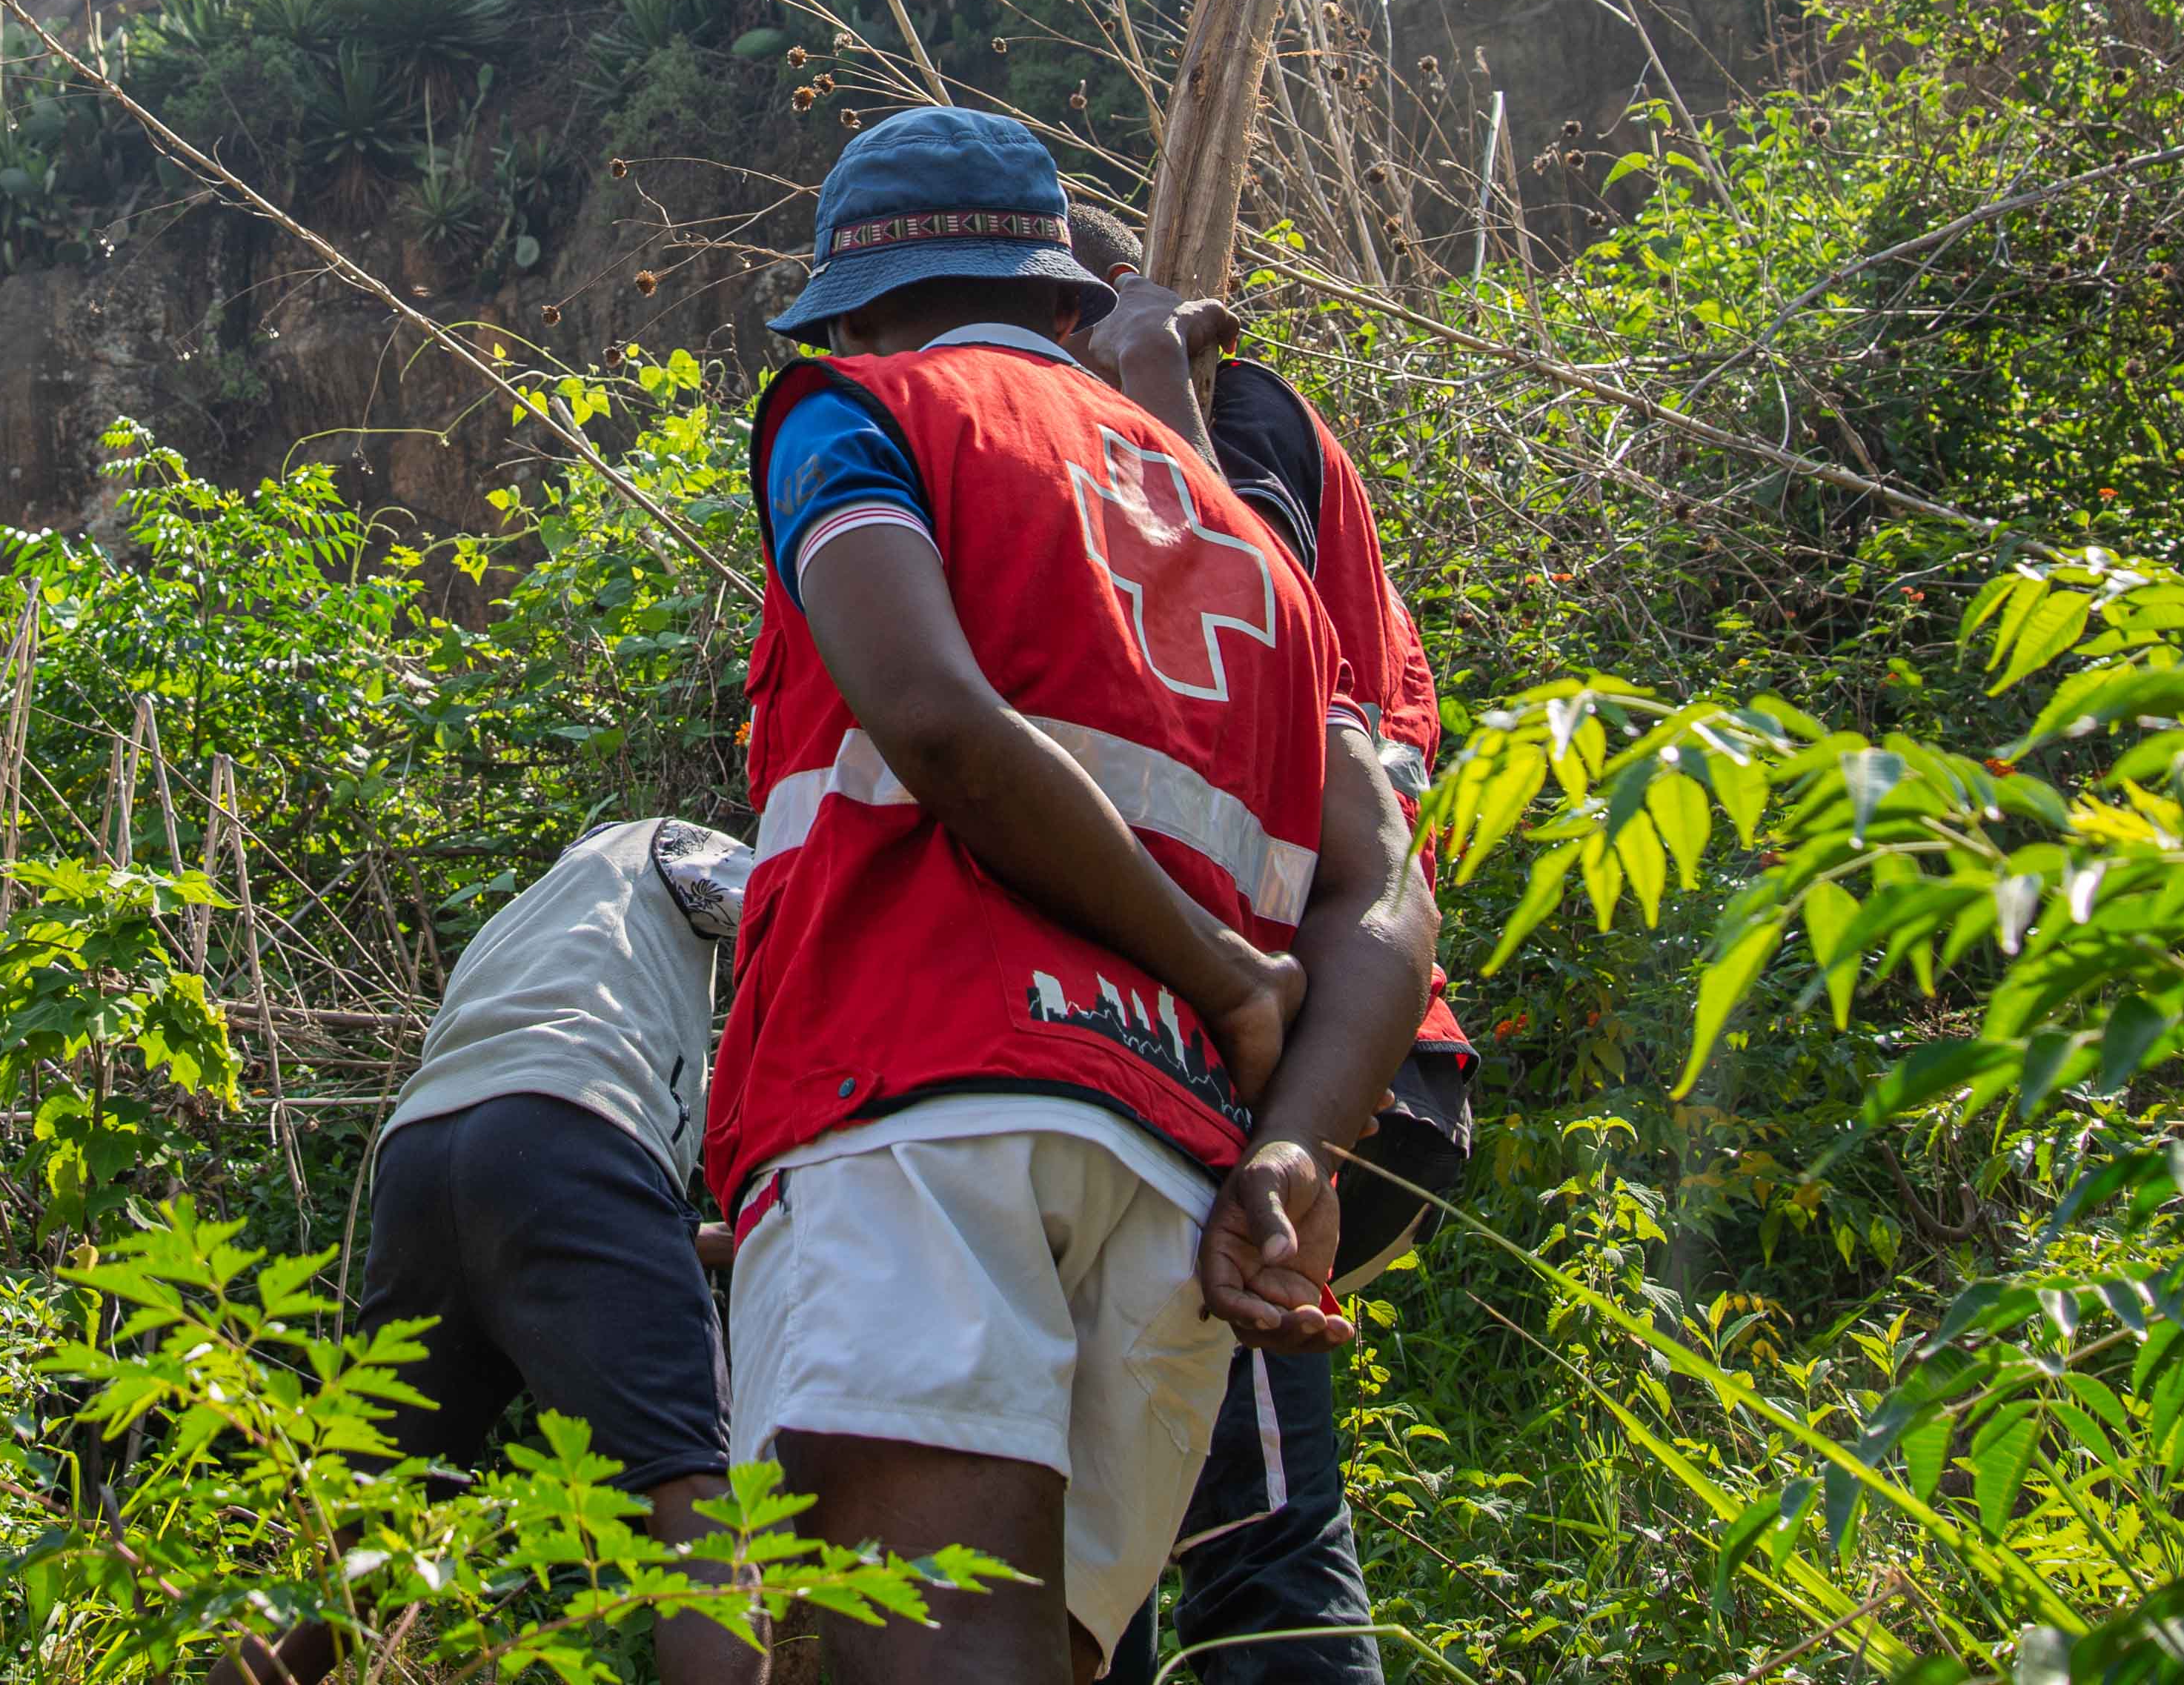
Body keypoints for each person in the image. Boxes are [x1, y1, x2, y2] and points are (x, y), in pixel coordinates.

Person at [709, 105, 1441, 1685]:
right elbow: (1381, 886)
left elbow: (935, 719)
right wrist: (1294, 1148)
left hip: (919, 1107)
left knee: (898, 1650)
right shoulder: (1252, 543)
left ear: (843, 310)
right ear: (1066, 301)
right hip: (1174, 1177)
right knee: (1038, 1652)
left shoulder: (856, 411)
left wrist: (1230, 978)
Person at [1060, 212, 1478, 1685]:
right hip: (1250, 1037)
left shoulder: (1222, 418)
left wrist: (1155, 404)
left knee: (1251, 1535)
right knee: (1088, 1532)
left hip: (1286, 1052)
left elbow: (1252, 659)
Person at [223, 818, 765, 1685]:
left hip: (425, 1160)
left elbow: (535, 1216)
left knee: (364, 1543)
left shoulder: (526, 917)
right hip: (576, 1128)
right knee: (696, 1504)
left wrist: (711, 1239)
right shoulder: (667, 843)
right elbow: (792, 911)